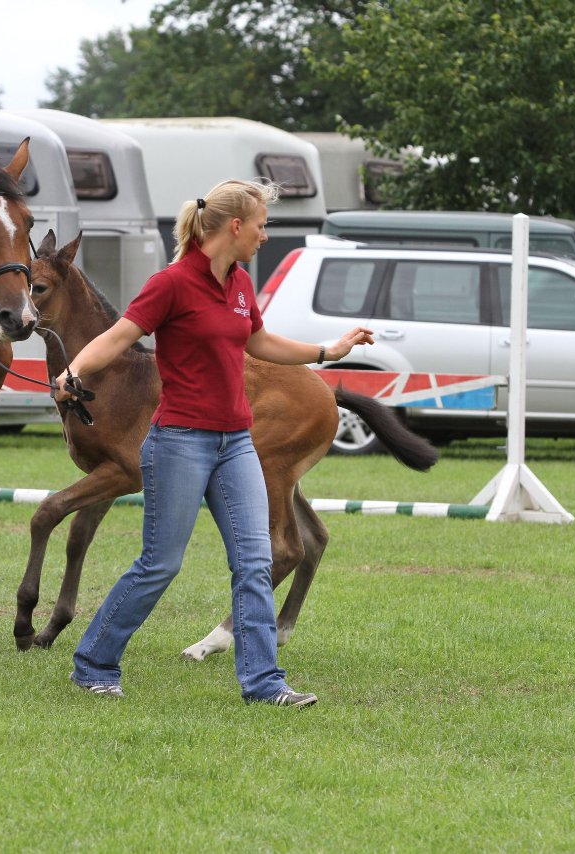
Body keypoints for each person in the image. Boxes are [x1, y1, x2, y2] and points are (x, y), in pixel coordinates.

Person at [55, 179, 374, 707]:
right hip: (180, 441)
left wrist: (327, 350)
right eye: (261, 224)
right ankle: (93, 663)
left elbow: (259, 341)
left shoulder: (241, 283)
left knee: (255, 562)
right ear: (234, 226)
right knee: (160, 564)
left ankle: (264, 683)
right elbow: (119, 337)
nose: (265, 234)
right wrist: (73, 370)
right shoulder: (172, 283)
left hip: (236, 443)